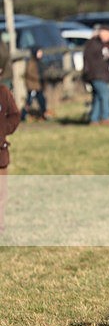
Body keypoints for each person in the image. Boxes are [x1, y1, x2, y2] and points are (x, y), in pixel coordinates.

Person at [83, 26, 109, 124]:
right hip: (97, 75)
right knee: (105, 95)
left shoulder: (99, 44)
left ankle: (94, 118)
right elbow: (92, 61)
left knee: (98, 97)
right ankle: (105, 117)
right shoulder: (94, 45)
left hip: (99, 74)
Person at [0, 83, 21, 234]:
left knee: (1, 192)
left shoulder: (3, 92)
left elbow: (14, 115)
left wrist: (2, 131)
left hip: (0, 153)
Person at [21, 47, 48, 121]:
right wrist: (39, 77)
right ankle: (22, 115)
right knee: (29, 101)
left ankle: (44, 114)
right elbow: (29, 73)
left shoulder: (40, 62)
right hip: (33, 86)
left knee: (42, 100)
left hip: (39, 86)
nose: (40, 54)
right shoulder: (31, 62)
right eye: (39, 52)